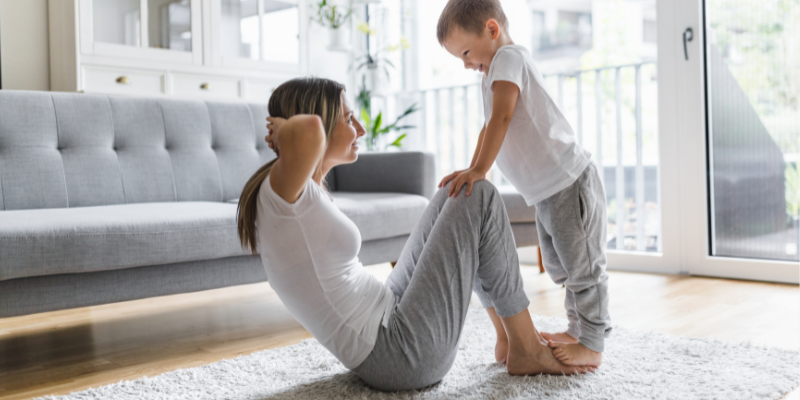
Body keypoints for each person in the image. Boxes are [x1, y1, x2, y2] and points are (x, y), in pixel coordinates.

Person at [236, 77, 594, 392]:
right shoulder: (281, 194)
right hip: (400, 354)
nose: (360, 129)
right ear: (320, 124)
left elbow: (311, 132)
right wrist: (285, 133)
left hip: (388, 314)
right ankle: (527, 348)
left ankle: (507, 338)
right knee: (479, 194)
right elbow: (309, 130)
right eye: (347, 118)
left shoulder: (295, 192)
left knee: (457, 191)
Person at [435, 0, 612, 368]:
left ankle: (592, 342)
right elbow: (489, 125)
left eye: (466, 52)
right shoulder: (493, 72)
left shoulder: (508, 58)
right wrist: (471, 169)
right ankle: (578, 329)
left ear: (492, 30)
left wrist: (480, 171)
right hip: (546, 191)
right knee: (562, 266)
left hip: (568, 180)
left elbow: (502, 116)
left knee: (582, 267)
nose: (466, 64)